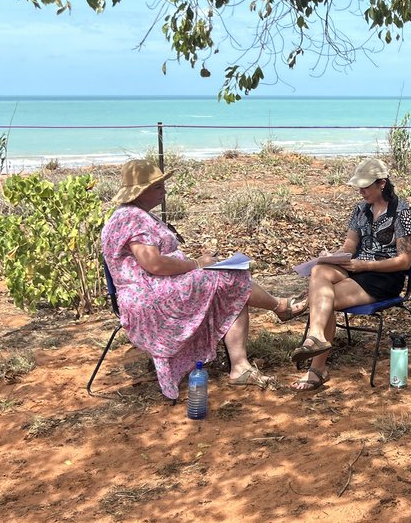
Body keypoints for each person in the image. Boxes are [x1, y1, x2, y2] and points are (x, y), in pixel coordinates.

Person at [100, 159, 299, 398]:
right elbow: (153, 263)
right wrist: (196, 264)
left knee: (229, 282)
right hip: (150, 298)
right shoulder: (134, 218)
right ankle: (279, 308)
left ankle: (242, 364)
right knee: (231, 278)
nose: (164, 191)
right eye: (157, 187)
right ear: (140, 192)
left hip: (153, 289)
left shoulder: (126, 215)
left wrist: (198, 266)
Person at [291, 158, 411, 391]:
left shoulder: (402, 211)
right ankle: (316, 335)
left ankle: (317, 367)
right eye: (359, 187)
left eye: (366, 186)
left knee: (323, 299)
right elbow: (350, 245)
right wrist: (334, 255)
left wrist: (366, 266)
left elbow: (404, 261)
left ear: (382, 184)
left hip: (383, 275)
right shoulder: (360, 209)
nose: (361, 191)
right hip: (356, 266)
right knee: (319, 270)